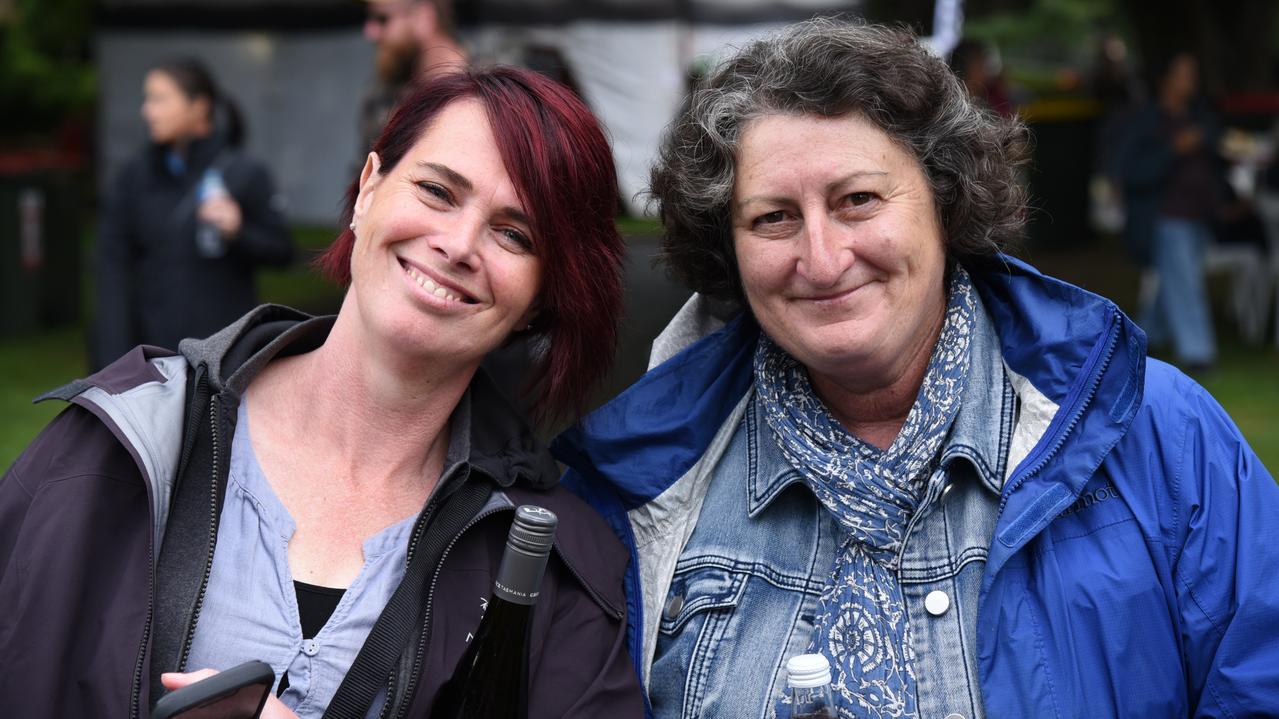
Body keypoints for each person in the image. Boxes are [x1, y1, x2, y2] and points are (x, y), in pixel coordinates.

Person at [553, 19, 1279, 719]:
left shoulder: (1157, 436)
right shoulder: (640, 497)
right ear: (729, 249)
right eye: (772, 217)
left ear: (943, 200)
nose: (823, 258)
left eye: (857, 200)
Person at [0, 67, 644, 718]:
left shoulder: (559, 567)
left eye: (514, 234)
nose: (457, 245)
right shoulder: (120, 440)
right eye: (436, 190)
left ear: (540, 300)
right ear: (368, 190)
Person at [94, 58, 294, 371]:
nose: (147, 111)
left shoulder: (244, 172)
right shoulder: (134, 176)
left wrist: (238, 232)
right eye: (147, 99)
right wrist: (113, 357)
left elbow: (283, 252)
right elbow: (113, 265)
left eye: (159, 99)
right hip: (153, 356)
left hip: (224, 357)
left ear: (199, 107)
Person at [1117, 52, 1222, 372]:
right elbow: (1132, 172)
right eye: (1183, 73)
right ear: (1165, 80)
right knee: (1185, 283)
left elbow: (1217, 158)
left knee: (1174, 283)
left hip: (1200, 214)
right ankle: (1198, 354)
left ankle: (1136, 340)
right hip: (1165, 215)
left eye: (1193, 73)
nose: (1190, 80)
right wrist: (1174, 150)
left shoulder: (1200, 116)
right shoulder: (1147, 121)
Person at [359, 0, 467, 162]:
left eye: (382, 18)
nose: (370, 32)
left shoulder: (496, 85)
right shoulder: (381, 98)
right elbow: (363, 177)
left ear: (424, 17)